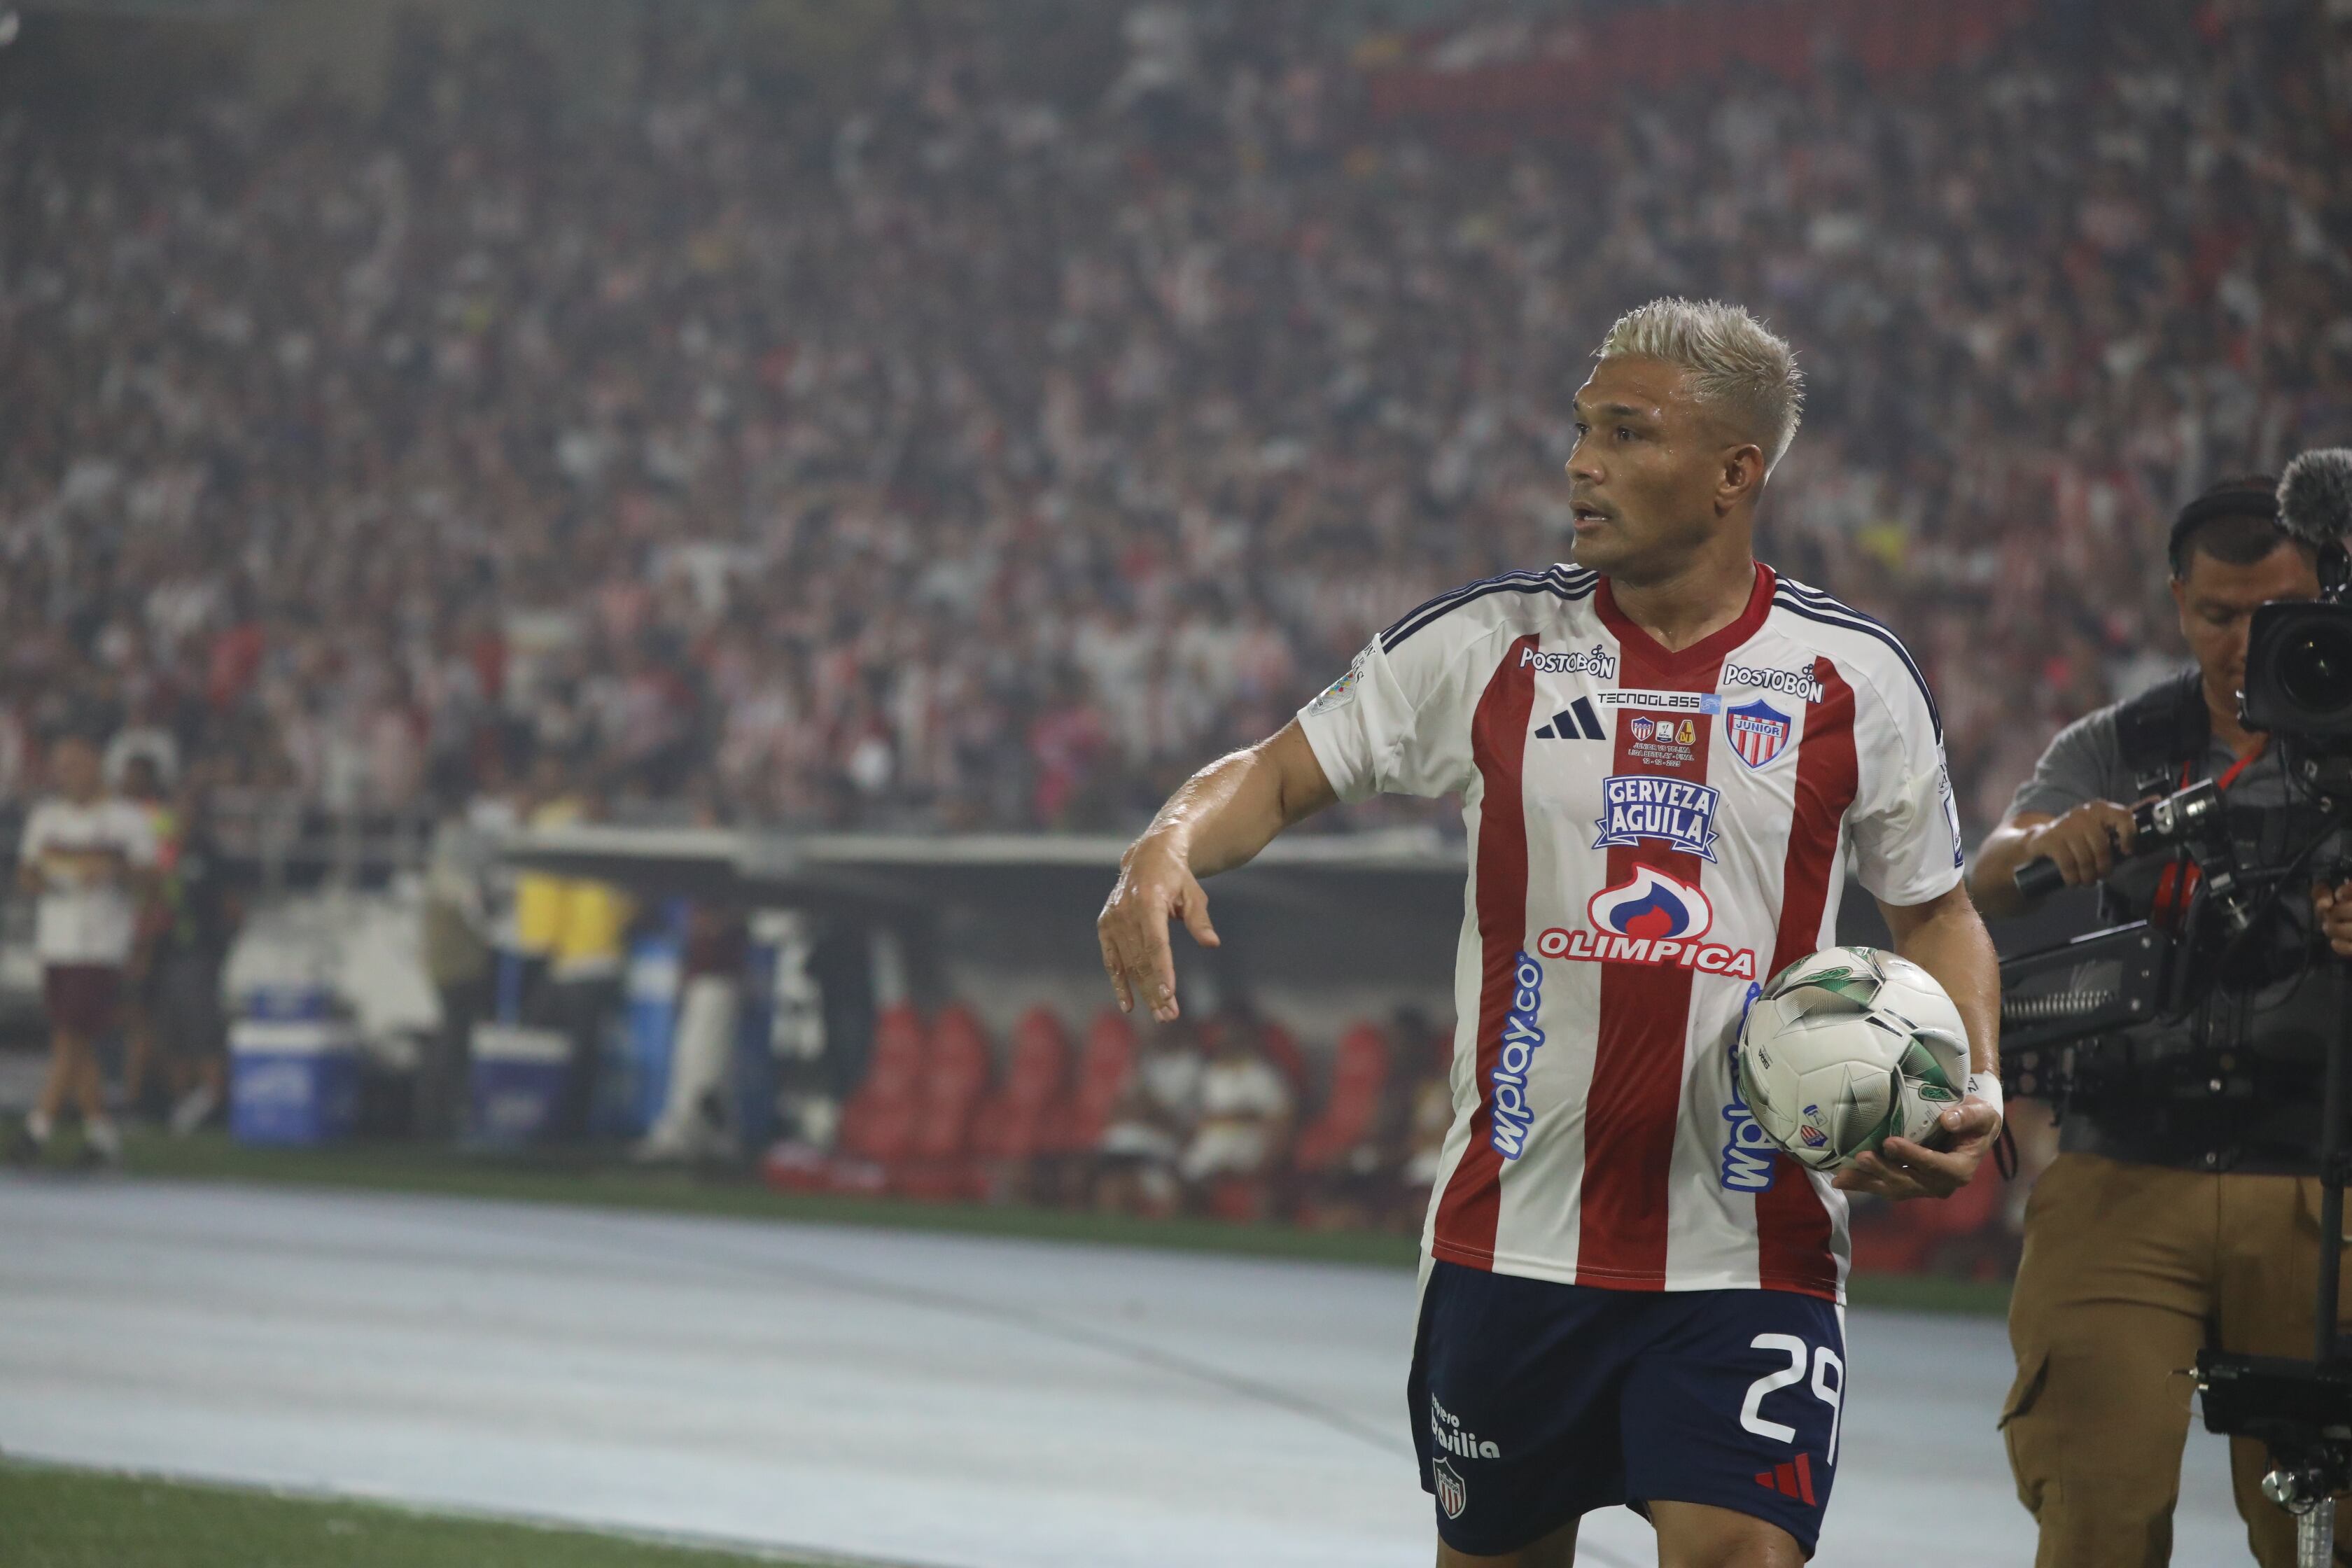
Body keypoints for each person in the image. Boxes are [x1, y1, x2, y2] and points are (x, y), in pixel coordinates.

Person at [1099, 298, 2003, 1568]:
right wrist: (1167, 841)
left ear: (1735, 472)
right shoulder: (1491, 643)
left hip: (1750, 1248)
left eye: (1626, 434)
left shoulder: (1852, 677)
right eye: (1582, 431)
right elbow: (1281, 770)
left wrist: (1976, 1084)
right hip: (1509, 1240)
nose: (1582, 463)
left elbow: (1939, 912)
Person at [1969, 475, 2348, 1568]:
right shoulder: (2122, 742)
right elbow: (1990, 875)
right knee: (2094, 1506)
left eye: (2272, 615)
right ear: (2178, 602)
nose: (2241, 643)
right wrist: (2055, 842)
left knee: (2325, 1533)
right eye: (2218, 615)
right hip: (2125, 1169)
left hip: (2321, 1179)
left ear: (2327, 595)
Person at [10, 734, 160, 1166]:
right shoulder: (47, 817)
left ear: (95, 764)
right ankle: (102, 1135)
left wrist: (112, 870)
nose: (67, 776)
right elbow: (26, 873)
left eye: (74, 765)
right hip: (57, 939)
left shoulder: (126, 819)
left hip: (100, 941)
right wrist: (48, 879)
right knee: (77, 1040)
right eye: (61, 767)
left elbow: (151, 879)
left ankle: (38, 1126)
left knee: (69, 1034)